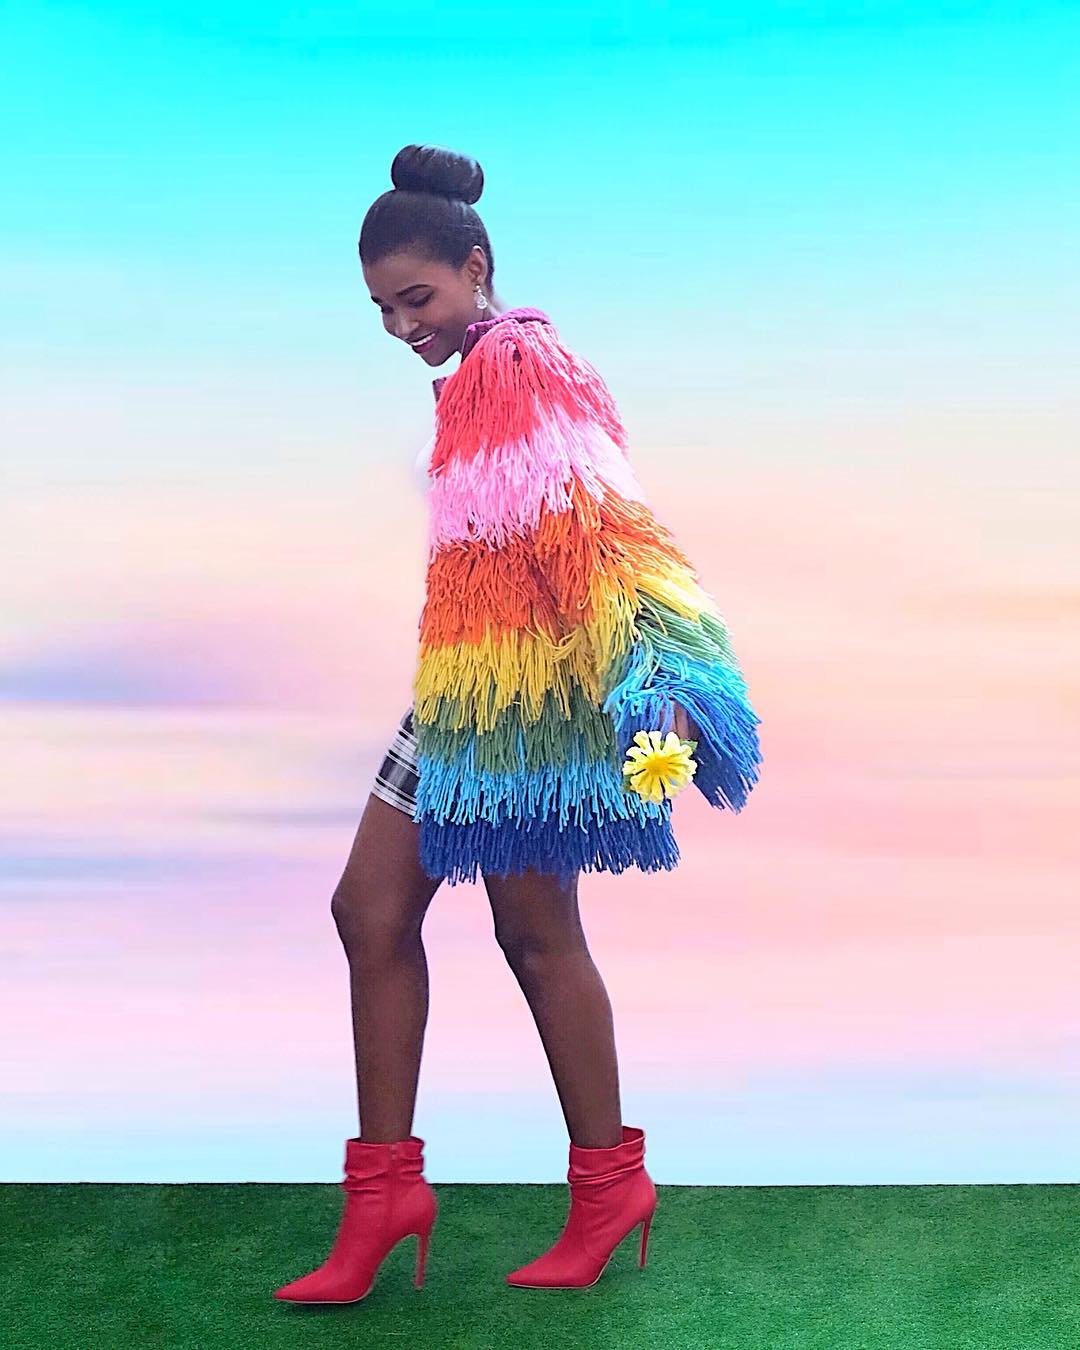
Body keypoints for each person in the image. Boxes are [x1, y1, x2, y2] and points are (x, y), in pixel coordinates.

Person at [274, 143, 762, 1304]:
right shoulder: (477, 372)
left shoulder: (523, 366)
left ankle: (609, 1187)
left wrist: (662, 677)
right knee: (370, 911)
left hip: (534, 704)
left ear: (476, 268)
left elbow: (604, 526)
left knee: (536, 937)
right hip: (463, 689)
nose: (402, 326)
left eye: (418, 298)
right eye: (383, 310)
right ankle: (383, 1198)